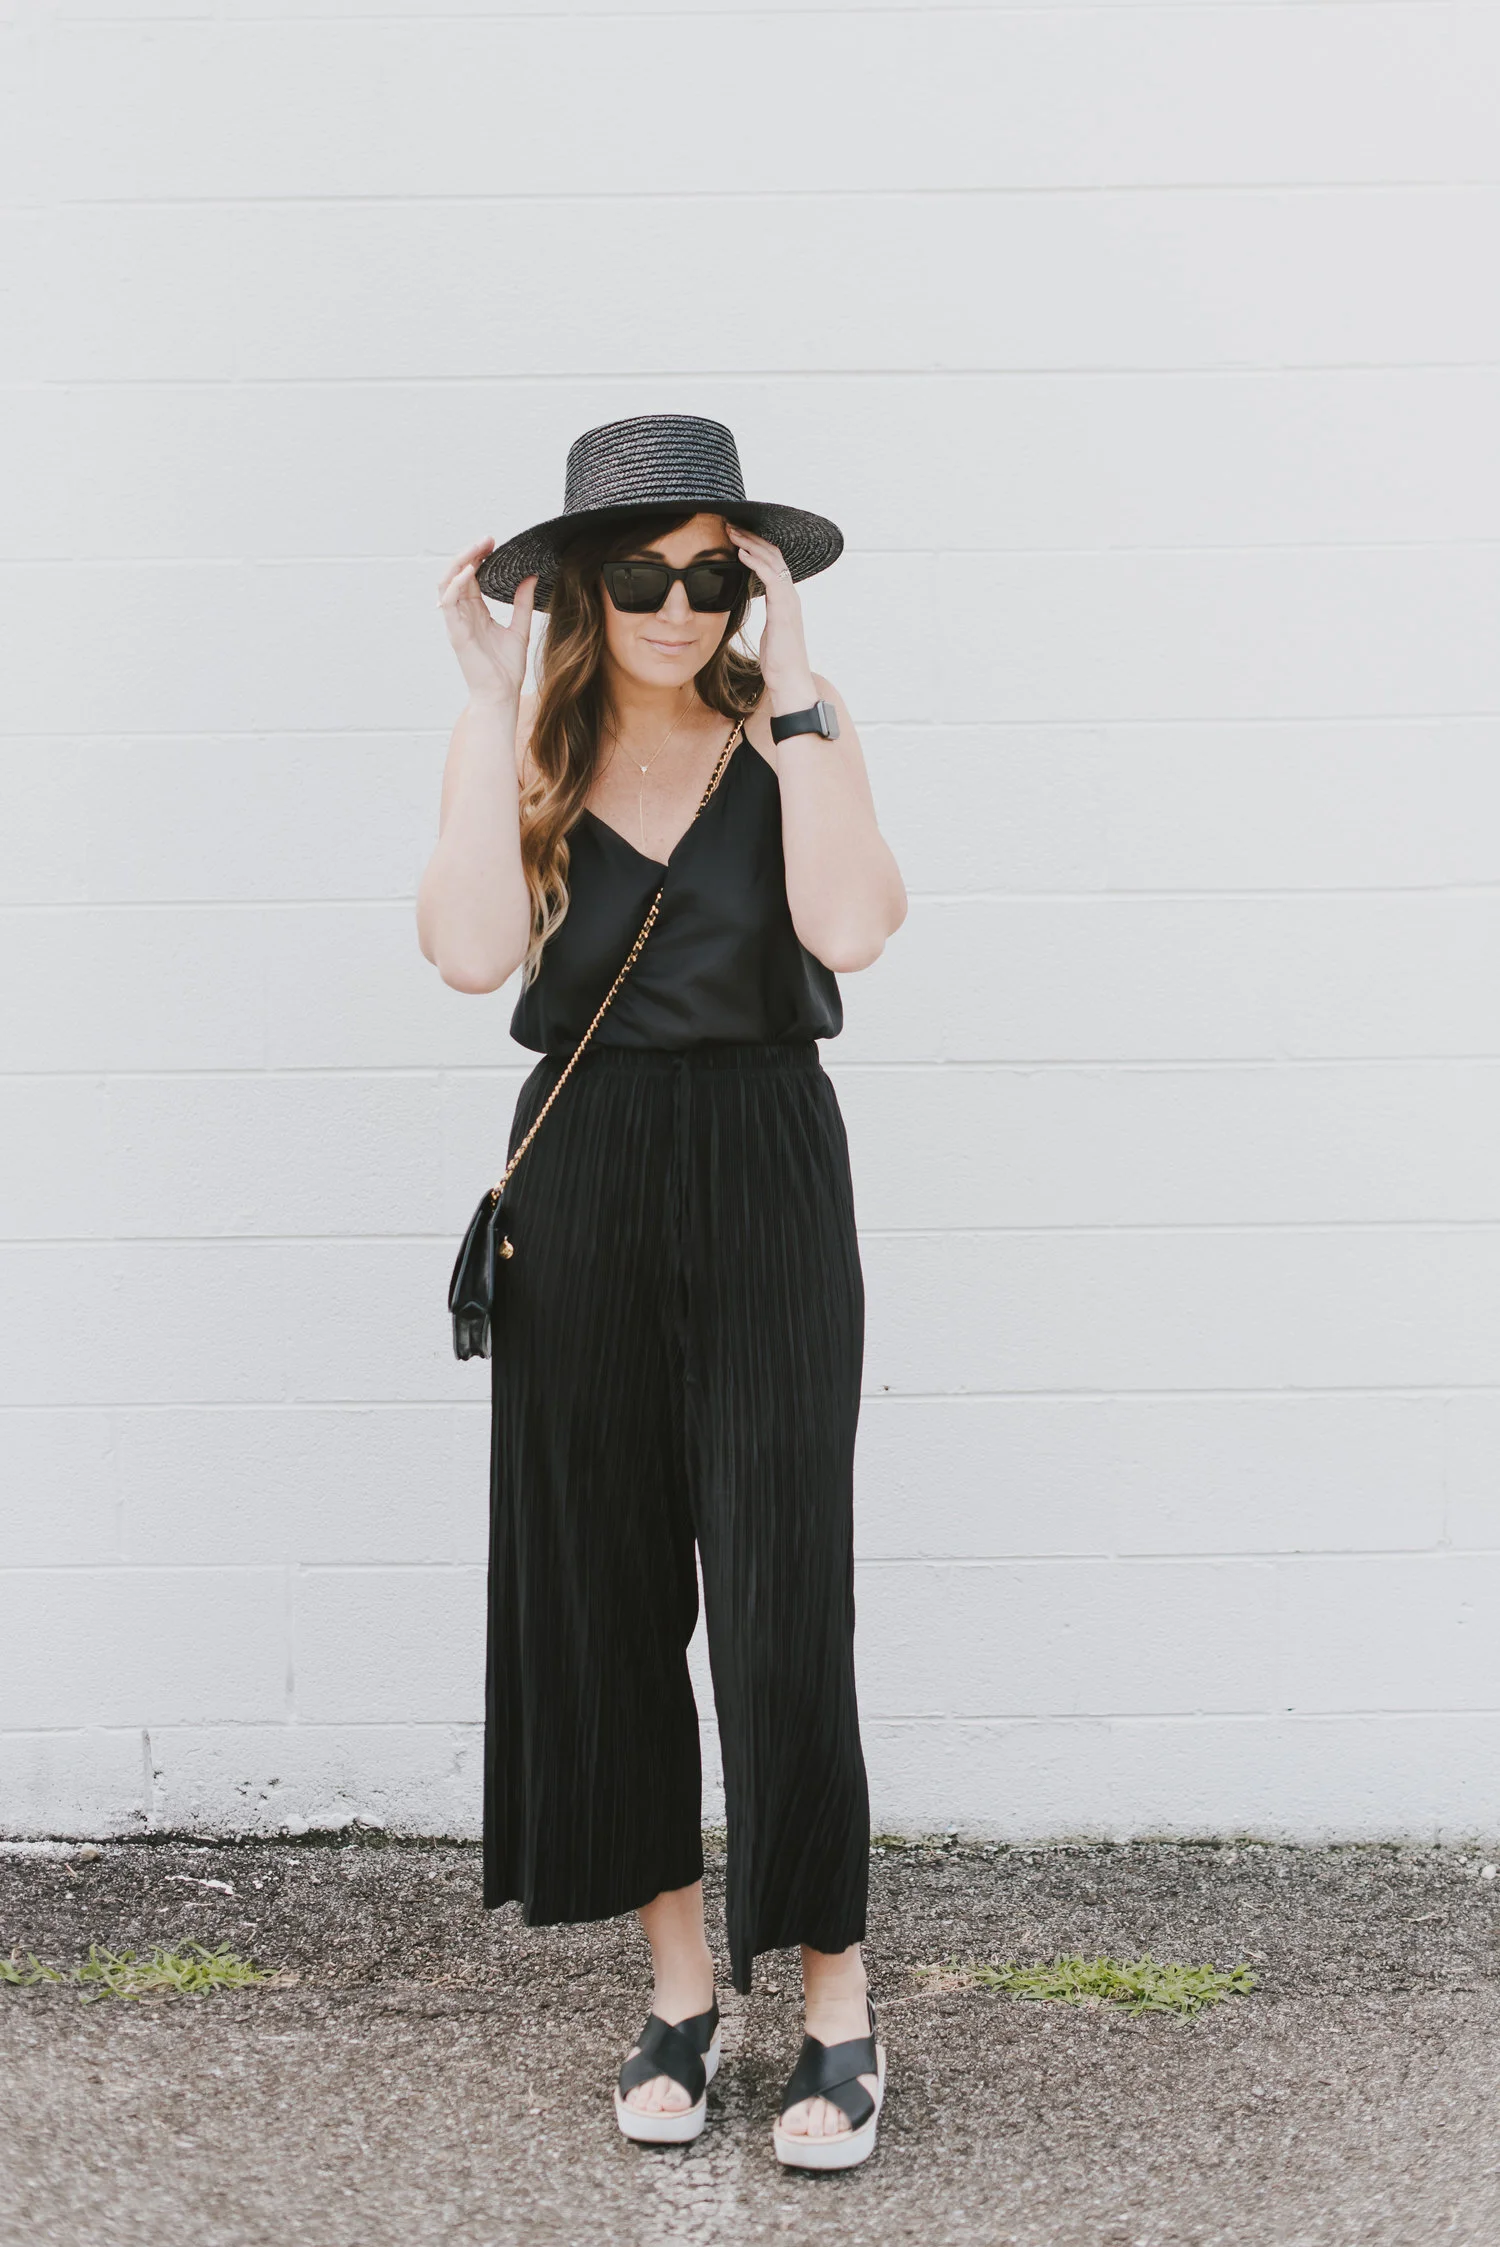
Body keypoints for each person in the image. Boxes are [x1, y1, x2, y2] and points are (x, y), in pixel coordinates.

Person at [417, 415, 907, 2170]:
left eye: (718, 572)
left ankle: (838, 2010)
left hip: (769, 1161)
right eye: (644, 574)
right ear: (577, 590)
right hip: (589, 1175)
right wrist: (487, 711)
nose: (684, 606)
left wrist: (809, 691)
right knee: (611, 1595)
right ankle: (683, 1996)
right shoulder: (530, 762)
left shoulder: (789, 735)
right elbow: (475, 952)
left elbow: (851, 928)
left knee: (784, 1586)